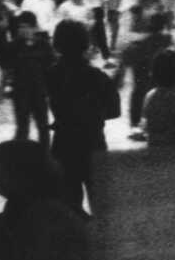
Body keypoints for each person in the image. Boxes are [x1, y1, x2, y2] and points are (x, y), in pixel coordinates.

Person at [45, 17, 121, 212]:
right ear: (86, 44)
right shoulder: (98, 76)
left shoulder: (51, 75)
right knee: (101, 204)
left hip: (63, 142)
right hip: (93, 141)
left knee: (69, 205)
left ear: (57, 45)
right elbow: (114, 111)